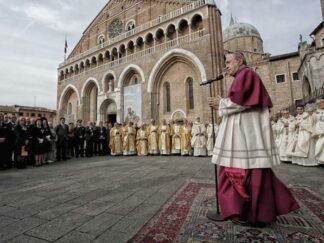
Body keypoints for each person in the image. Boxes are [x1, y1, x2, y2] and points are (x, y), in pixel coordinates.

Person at [209, 51, 299, 226]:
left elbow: (239, 102)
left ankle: (249, 214)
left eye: (228, 62)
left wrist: (220, 103)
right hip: (244, 135)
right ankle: (245, 213)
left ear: (240, 61)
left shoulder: (247, 74)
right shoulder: (243, 76)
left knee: (244, 172)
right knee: (244, 172)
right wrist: (224, 102)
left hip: (246, 137)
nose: (226, 66)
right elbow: (240, 100)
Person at [314, 99, 324, 164]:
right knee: (320, 147)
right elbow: (314, 123)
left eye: (321, 103)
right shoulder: (315, 113)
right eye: (317, 104)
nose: (319, 105)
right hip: (320, 132)